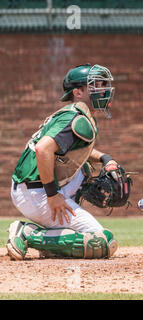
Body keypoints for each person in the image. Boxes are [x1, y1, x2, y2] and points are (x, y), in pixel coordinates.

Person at [7, 64, 124, 260]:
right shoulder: (75, 118)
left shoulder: (75, 114)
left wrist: (105, 158)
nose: (104, 89)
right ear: (78, 92)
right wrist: (53, 195)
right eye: (96, 84)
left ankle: (53, 240)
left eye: (104, 84)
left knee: (84, 168)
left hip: (32, 187)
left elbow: (70, 150)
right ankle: (27, 233)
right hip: (38, 192)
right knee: (102, 242)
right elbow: (42, 149)